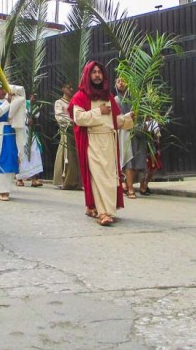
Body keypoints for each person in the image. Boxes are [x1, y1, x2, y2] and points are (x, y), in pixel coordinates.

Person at [69, 61, 134, 227]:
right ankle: (103, 213)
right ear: (87, 75)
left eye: (99, 72)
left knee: (110, 178)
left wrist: (128, 118)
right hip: (93, 141)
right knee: (97, 177)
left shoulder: (108, 97)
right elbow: (79, 119)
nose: (97, 75)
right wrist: (99, 111)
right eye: (94, 72)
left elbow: (114, 121)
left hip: (109, 142)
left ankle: (99, 208)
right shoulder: (80, 97)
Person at [52, 82, 81, 190]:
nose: (71, 89)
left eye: (72, 87)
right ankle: (64, 181)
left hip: (77, 132)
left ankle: (77, 182)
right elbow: (59, 116)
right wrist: (72, 122)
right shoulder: (59, 102)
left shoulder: (76, 102)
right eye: (69, 87)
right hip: (67, 132)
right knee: (67, 156)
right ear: (63, 89)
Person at [114, 76, 136, 198]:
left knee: (137, 160)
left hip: (135, 131)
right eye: (118, 81)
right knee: (127, 160)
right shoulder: (116, 100)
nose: (121, 83)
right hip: (123, 133)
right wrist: (129, 116)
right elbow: (117, 118)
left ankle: (129, 185)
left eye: (123, 80)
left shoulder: (133, 99)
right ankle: (130, 189)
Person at [16, 90, 44, 187]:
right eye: (32, 96)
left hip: (30, 132)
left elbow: (37, 114)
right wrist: (26, 120)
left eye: (35, 97)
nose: (33, 98)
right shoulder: (18, 103)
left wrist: (32, 106)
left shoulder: (30, 104)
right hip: (20, 131)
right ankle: (19, 178)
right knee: (21, 153)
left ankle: (34, 179)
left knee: (34, 152)